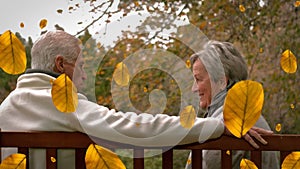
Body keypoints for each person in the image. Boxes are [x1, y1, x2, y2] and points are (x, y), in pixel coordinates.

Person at [0, 31, 271, 169]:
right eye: (81, 67)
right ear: (61, 65)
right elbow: (132, 128)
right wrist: (218, 126)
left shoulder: (8, 107)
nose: (83, 78)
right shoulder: (60, 103)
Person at [185, 40, 279, 169]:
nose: (194, 88)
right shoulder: (241, 114)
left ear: (222, 81)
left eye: (199, 79)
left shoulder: (229, 120)